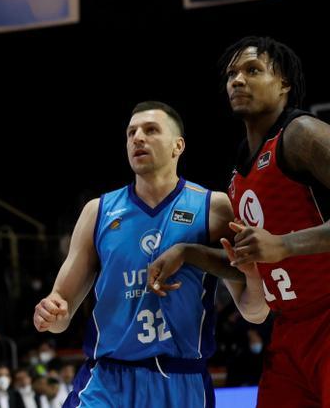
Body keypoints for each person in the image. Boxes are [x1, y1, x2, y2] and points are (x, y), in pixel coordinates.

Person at [32, 102, 267, 407]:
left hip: (182, 381)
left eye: (151, 130)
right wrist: (51, 312)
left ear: (178, 146)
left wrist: (253, 276)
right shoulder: (98, 212)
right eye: (131, 133)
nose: (137, 138)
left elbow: (255, 312)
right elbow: (61, 310)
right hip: (108, 380)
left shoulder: (214, 208)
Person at [149, 37, 330, 406]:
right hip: (288, 330)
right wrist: (188, 252)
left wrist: (284, 245)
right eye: (232, 74)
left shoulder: (302, 134)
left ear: (284, 84)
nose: (237, 80)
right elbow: (249, 264)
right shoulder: (237, 176)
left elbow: (277, 248)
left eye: (253, 70)